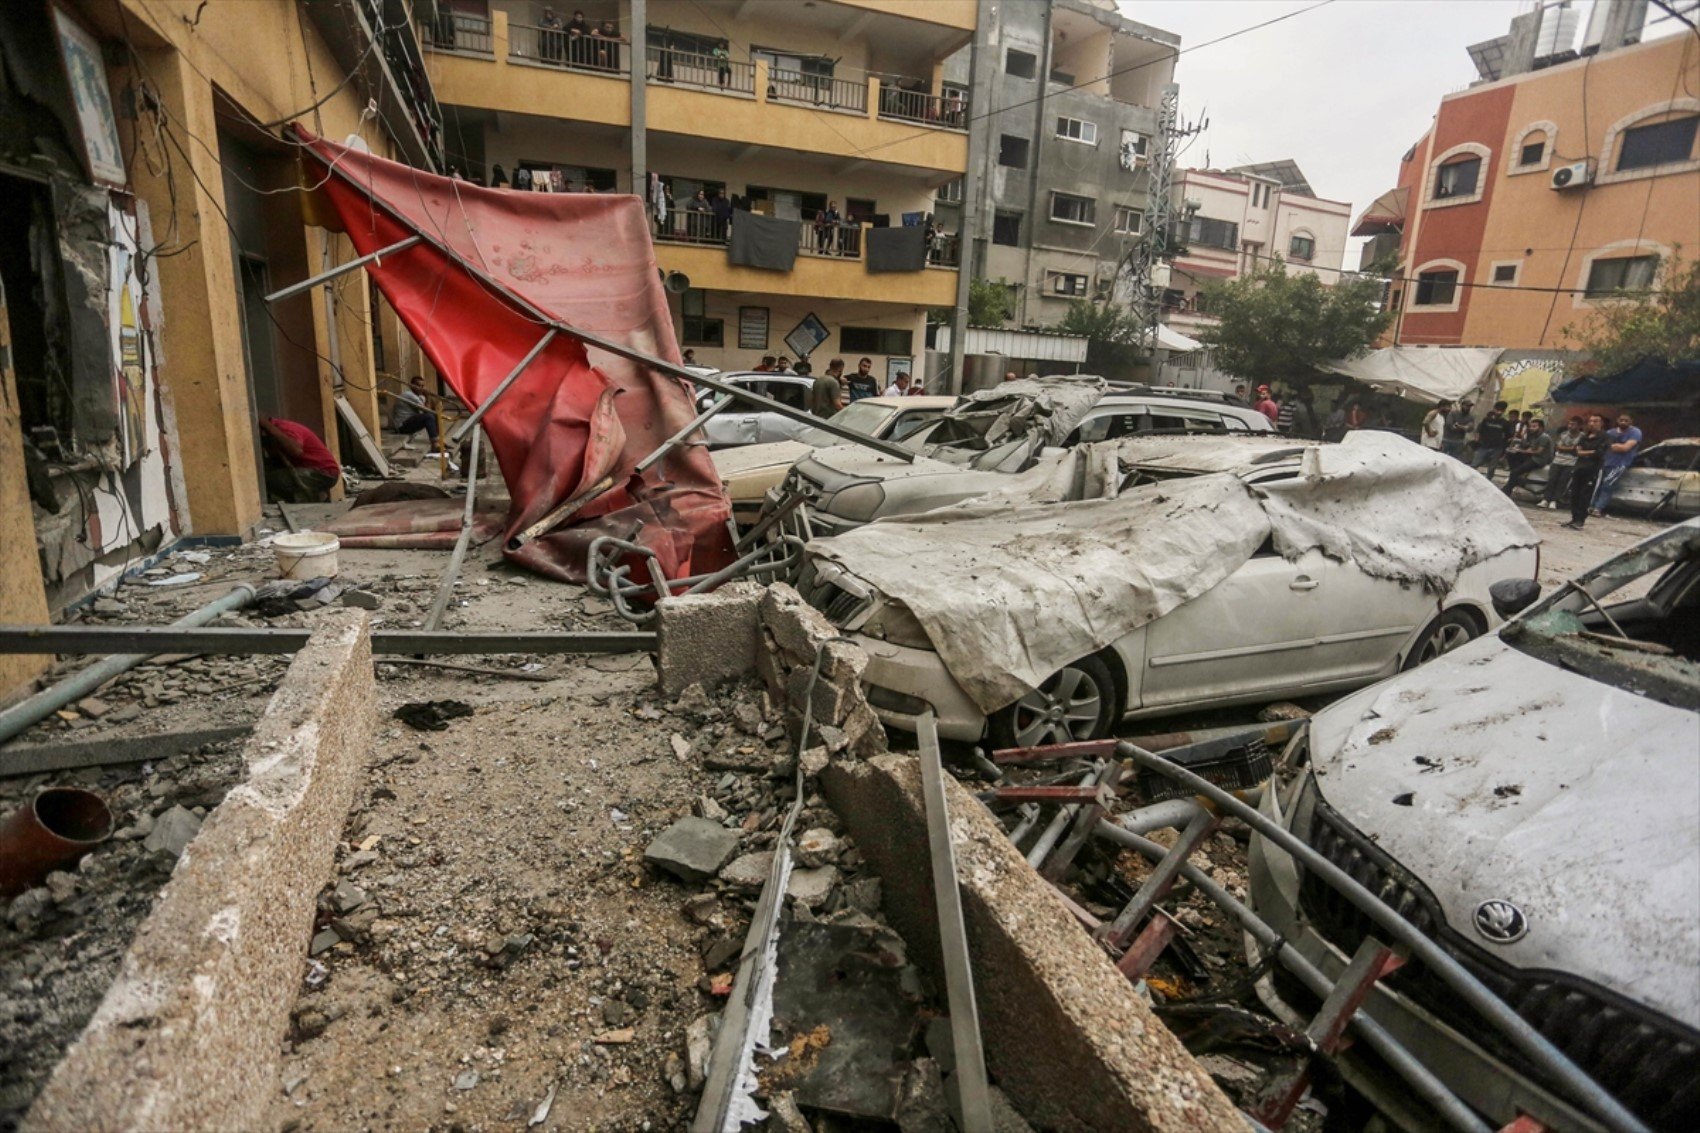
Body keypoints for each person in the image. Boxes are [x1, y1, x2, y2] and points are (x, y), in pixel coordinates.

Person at [259, 415, 341, 503]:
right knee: (267, 470)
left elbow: (296, 451)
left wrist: (269, 428)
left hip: (325, 473)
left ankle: (309, 497)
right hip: (315, 471)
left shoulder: (285, 427)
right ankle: (313, 494)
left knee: (270, 479)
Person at [1592, 412, 1643, 515]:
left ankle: (1598, 508)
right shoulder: (1610, 432)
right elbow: (1601, 446)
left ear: (1631, 421)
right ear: (1617, 420)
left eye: (1626, 420)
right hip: (1606, 462)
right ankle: (1591, 506)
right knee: (1598, 485)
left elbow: (1625, 448)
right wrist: (1615, 446)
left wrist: (1612, 446)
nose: (1623, 422)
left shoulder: (1635, 432)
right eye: (1621, 420)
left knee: (1608, 485)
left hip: (1620, 464)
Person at [1563, 415, 1609, 530]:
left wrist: (1584, 452)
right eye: (1590, 421)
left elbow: (1599, 453)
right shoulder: (1585, 436)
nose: (1592, 423)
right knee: (1574, 494)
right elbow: (1576, 451)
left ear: (1601, 423)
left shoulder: (1605, 437)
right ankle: (1574, 518)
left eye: (1596, 421)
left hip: (1592, 470)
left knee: (1585, 495)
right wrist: (1587, 452)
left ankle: (1580, 520)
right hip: (1579, 468)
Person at [1539, 415, 1585, 510]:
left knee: (1562, 482)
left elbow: (1578, 450)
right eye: (1569, 424)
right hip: (1557, 460)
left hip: (1571, 462)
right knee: (1552, 480)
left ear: (1579, 425)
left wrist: (1568, 449)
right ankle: (1545, 499)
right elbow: (1558, 447)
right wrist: (1571, 448)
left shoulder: (1582, 436)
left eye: (1573, 424)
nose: (1570, 426)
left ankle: (1554, 500)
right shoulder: (1563, 434)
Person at [1503, 418, 1553, 498]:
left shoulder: (1544, 437)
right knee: (1511, 455)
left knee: (1515, 472)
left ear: (1541, 428)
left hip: (1539, 460)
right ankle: (1516, 480)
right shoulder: (1534, 436)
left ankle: (1507, 491)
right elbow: (1529, 448)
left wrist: (1522, 451)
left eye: (1534, 426)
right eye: (1531, 426)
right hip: (1532, 457)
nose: (1531, 428)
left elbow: (1539, 451)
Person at [390, 376, 439, 449]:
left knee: (435, 414)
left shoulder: (419, 396)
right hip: (401, 427)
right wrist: (428, 396)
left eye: (422, 386)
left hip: (408, 423)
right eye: (418, 385)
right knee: (428, 416)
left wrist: (431, 399)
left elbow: (432, 410)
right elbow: (427, 411)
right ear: (411, 385)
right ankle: (435, 444)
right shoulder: (409, 395)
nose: (420, 388)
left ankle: (437, 440)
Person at [1471, 401, 1511, 479]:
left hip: (1497, 448)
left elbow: (1507, 436)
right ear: (1494, 409)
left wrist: (1503, 448)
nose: (1499, 412)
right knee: (1475, 464)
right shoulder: (1487, 420)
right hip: (1484, 446)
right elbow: (1479, 430)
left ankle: (1488, 481)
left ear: (1504, 411)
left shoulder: (1505, 423)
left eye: (1501, 410)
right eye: (1497, 410)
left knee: (1492, 468)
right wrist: (1477, 440)